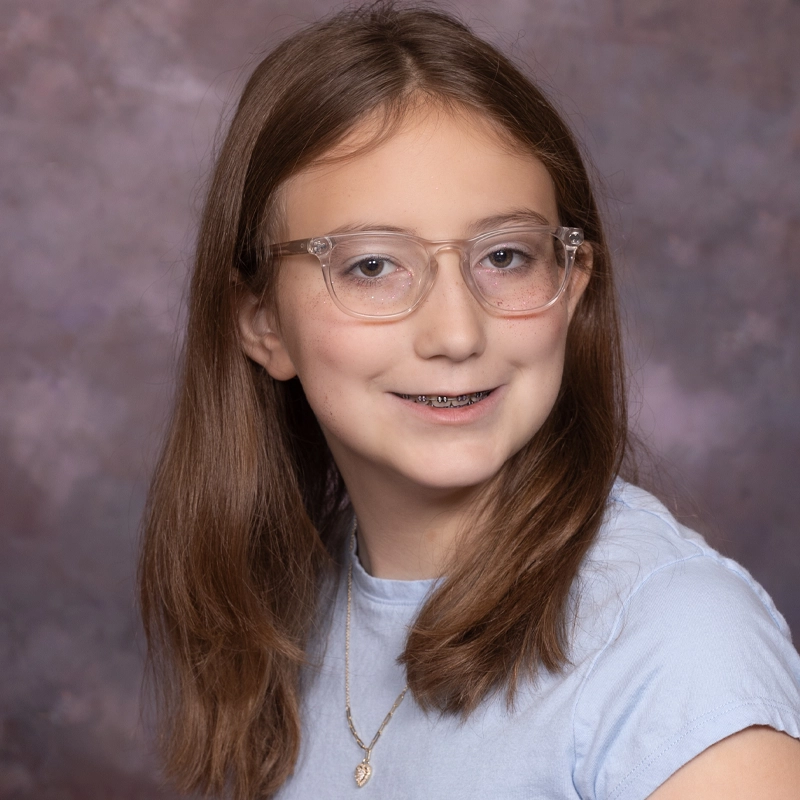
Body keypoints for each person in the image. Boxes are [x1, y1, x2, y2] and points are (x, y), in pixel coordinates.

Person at [138, 4, 800, 798]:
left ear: (571, 287)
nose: (456, 332)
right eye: (373, 266)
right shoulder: (293, 614)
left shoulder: (681, 644)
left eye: (507, 256)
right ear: (261, 323)